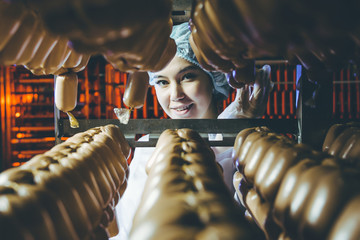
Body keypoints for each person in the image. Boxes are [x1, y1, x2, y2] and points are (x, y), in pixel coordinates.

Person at [110, 22, 272, 240]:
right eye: (162, 82)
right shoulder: (148, 146)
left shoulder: (247, 146)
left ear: (213, 79)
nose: (175, 94)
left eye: (187, 77)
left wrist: (236, 124)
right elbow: (128, 230)